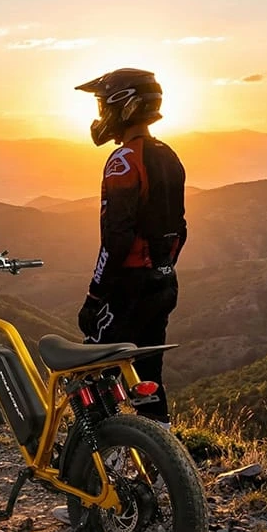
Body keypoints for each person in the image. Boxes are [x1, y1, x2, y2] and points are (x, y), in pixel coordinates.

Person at [75, 67, 187, 427]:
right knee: (147, 378)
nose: (99, 114)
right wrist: (162, 267)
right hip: (163, 283)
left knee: (90, 374)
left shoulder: (123, 160)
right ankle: (159, 460)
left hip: (127, 288)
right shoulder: (168, 154)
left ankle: (93, 464)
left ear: (122, 106)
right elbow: (180, 229)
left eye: (101, 105)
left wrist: (94, 297)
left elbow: (116, 239)